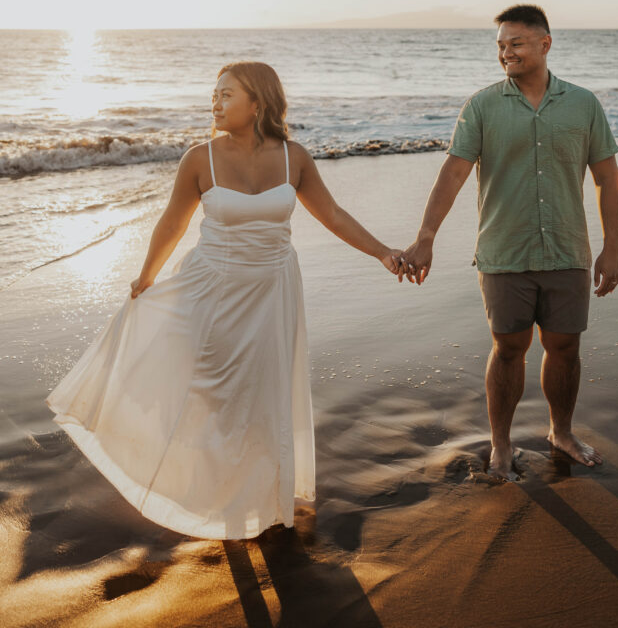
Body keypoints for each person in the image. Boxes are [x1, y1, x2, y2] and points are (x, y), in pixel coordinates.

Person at [47, 61, 401, 539]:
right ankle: (215, 502)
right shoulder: (200, 158)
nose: (214, 103)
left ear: (258, 102)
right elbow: (172, 223)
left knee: (265, 397)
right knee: (214, 398)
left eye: (226, 95)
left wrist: (382, 252)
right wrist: (146, 277)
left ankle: (262, 501)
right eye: (213, 94)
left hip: (273, 289)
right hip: (209, 292)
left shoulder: (294, 157)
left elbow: (333, 215)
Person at [397, 5, 618, 480]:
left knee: (565, 347)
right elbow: (453, 173)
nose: (506, 53)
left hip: (566, 249)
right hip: (504, 251)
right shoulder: (482, 106)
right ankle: (500, 445)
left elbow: (607, 178)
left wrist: (612, 248)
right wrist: (426, 237)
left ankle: (560, 431)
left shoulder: (583, 104)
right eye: (501, 45)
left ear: (544, 44)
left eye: (516, 43)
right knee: (508, 348)